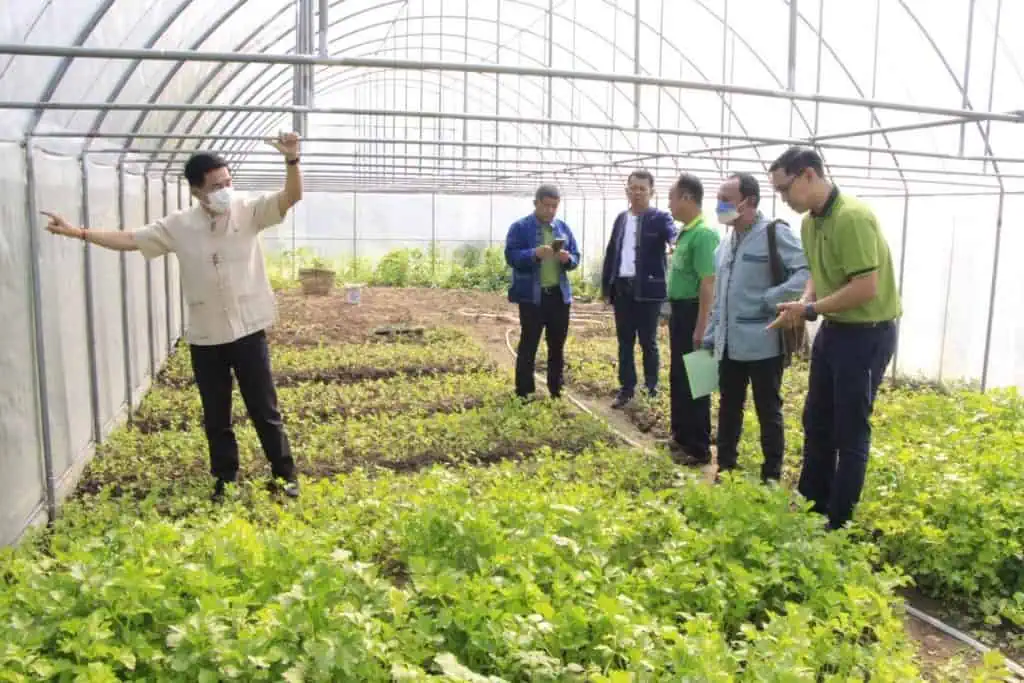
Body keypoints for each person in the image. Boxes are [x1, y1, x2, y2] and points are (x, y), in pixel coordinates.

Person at [43, 133, 305, 501]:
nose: (225, 191)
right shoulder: (179, 226)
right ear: (197, 191)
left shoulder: (248, 211)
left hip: (248, 329)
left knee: (265, 408)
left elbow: (291, 197)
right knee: (217, 417)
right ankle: (225, 480)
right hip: (206, 336)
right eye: (216, 186)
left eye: (228, 183)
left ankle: (285, 475)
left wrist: (292, 160)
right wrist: (79, 232)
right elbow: (131, 239)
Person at [768, 146, 902, 530]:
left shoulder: (853, 218)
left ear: (808, 175)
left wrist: (811, 310)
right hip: (835, 329)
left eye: (784, 189)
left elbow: (865, 288)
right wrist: (805, 300)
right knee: (817, 419)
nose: (783, 199)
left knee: (850, 428)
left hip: (866, 335)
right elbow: (817, 271)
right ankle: (812, 501)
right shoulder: (811, 223)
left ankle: (837, 521)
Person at [703, 172, 809, 482]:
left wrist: (772, 298)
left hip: (764, 341)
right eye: (719, 199)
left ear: (748, 202)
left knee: (768, 410)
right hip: (729, 343)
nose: (720, 205)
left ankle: (771, 475)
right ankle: (726, 467)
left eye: (726, 200)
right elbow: (720, 296)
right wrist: (710, 336)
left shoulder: (775, 234)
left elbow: (805, 271)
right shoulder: (725, 244)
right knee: (728, 407)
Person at [600, 170, 677, 408]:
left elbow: (673, 235)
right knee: (624, 341)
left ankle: (651, 388)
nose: (637, 193)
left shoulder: (660, 218)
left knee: (648, 341)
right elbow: (612, 252)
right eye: (633, 188)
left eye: (642, 189)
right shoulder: (622, 219)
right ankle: (626, 388)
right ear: (627, 190)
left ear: (651, 192)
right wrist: (606, 287)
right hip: (622, 288)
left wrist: (675, 243)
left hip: (648, 290)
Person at [504, 184, 581, 400]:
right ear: (536, 203)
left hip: (559, 296)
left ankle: (556, 389)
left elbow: (576, 256)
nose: (550, 211)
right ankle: (524, 392)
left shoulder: (562, 228)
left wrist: (569, 260)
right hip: (532, 297)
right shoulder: (520, 228)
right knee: (529, 343)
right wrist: (534, 254)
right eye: (546, 205)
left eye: (554, 206)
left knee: (557, 345)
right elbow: (511, 257)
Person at [664, 173, 719, 465]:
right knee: (679, 376)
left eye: (672, 197)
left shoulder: (704, 234)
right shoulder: (686, 232)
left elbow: (708, 282)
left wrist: (702, 325)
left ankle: (699, 447)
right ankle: (681, 436)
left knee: (697, 379)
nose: (669, 204)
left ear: (687, 198)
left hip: (695, 312)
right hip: (681, 313)